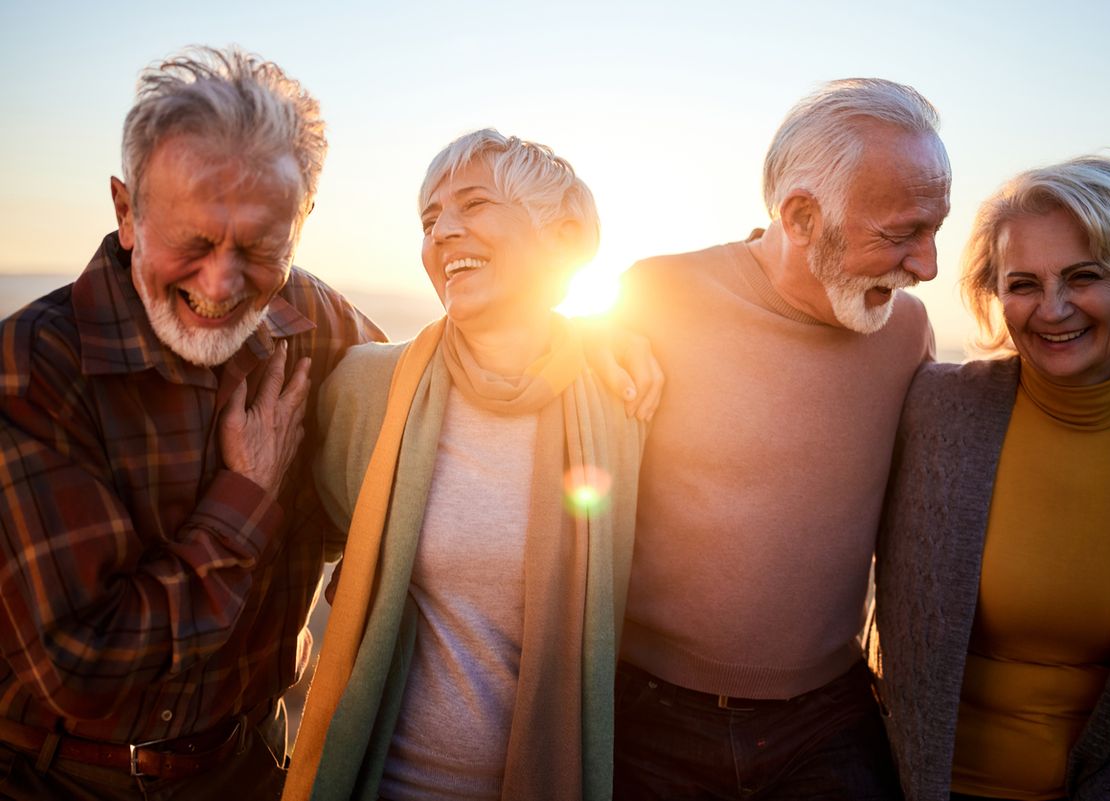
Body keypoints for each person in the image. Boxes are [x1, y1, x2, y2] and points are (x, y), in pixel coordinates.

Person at [0, 47, 388, 800]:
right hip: (56, 777)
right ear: (126, 212)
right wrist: (244, 498)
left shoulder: (320, 324)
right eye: (196, 242)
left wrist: (593, 357)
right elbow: (85, 669)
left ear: (301, 224)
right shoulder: (31, 370)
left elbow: (453, 389)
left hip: (250, 769)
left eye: (259, 248)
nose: (221, 284)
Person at [281, 130, 645, 801]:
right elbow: (307, 532)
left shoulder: (624, 404)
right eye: (428, 219)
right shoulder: (370, 389)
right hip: (382, 782)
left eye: (473, 205)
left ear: (561, 238)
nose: (443, 231)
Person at [612, 78, 951, 799]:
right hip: (646, 719)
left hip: (826, 724)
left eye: (934, 230)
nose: (926, 267)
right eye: (901, 234)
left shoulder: (908, 331)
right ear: (801, 215)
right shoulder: (656, 296)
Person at [869, 156, 1110, 800]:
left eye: (1084, 276)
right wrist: (616, 342)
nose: (1052, 310)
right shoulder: (934, 407)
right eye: (1023, 284)